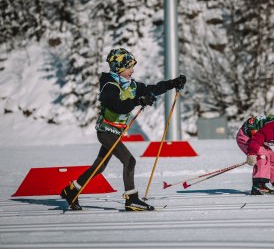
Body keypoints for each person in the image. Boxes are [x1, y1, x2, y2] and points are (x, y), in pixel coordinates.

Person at [60, 48, 186, 211]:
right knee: (129, 161)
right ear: (118, 67)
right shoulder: (109, 85)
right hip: (106, 132)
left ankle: (71, 191)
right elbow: (118, 106)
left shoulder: (131, 85)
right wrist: (138, 100)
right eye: (129, 67)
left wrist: (172, 83)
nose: (132, 70)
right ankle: (131, 199)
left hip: (115, 132)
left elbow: (151, 89)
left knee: (99, 167)